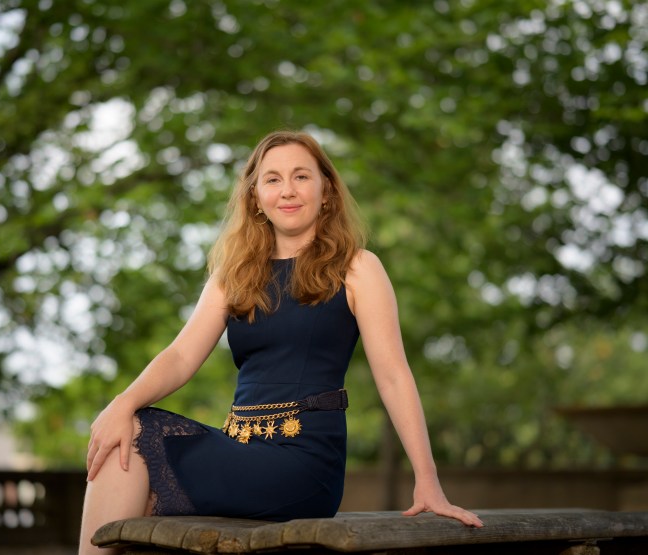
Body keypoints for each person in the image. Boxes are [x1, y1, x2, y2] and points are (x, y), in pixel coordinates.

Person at [79, 130, 483, 554]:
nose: (287, 190)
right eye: (272, 179)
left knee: (137, 435)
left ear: (326, 190)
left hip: (304, 464)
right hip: (239, 448)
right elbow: (180, 356)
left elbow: (394, 376)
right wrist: (121, 403)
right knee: (123, 436)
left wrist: (428, 480)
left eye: (301, 177)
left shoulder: (358, 268)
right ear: (255, 197)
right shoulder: (233, 274)